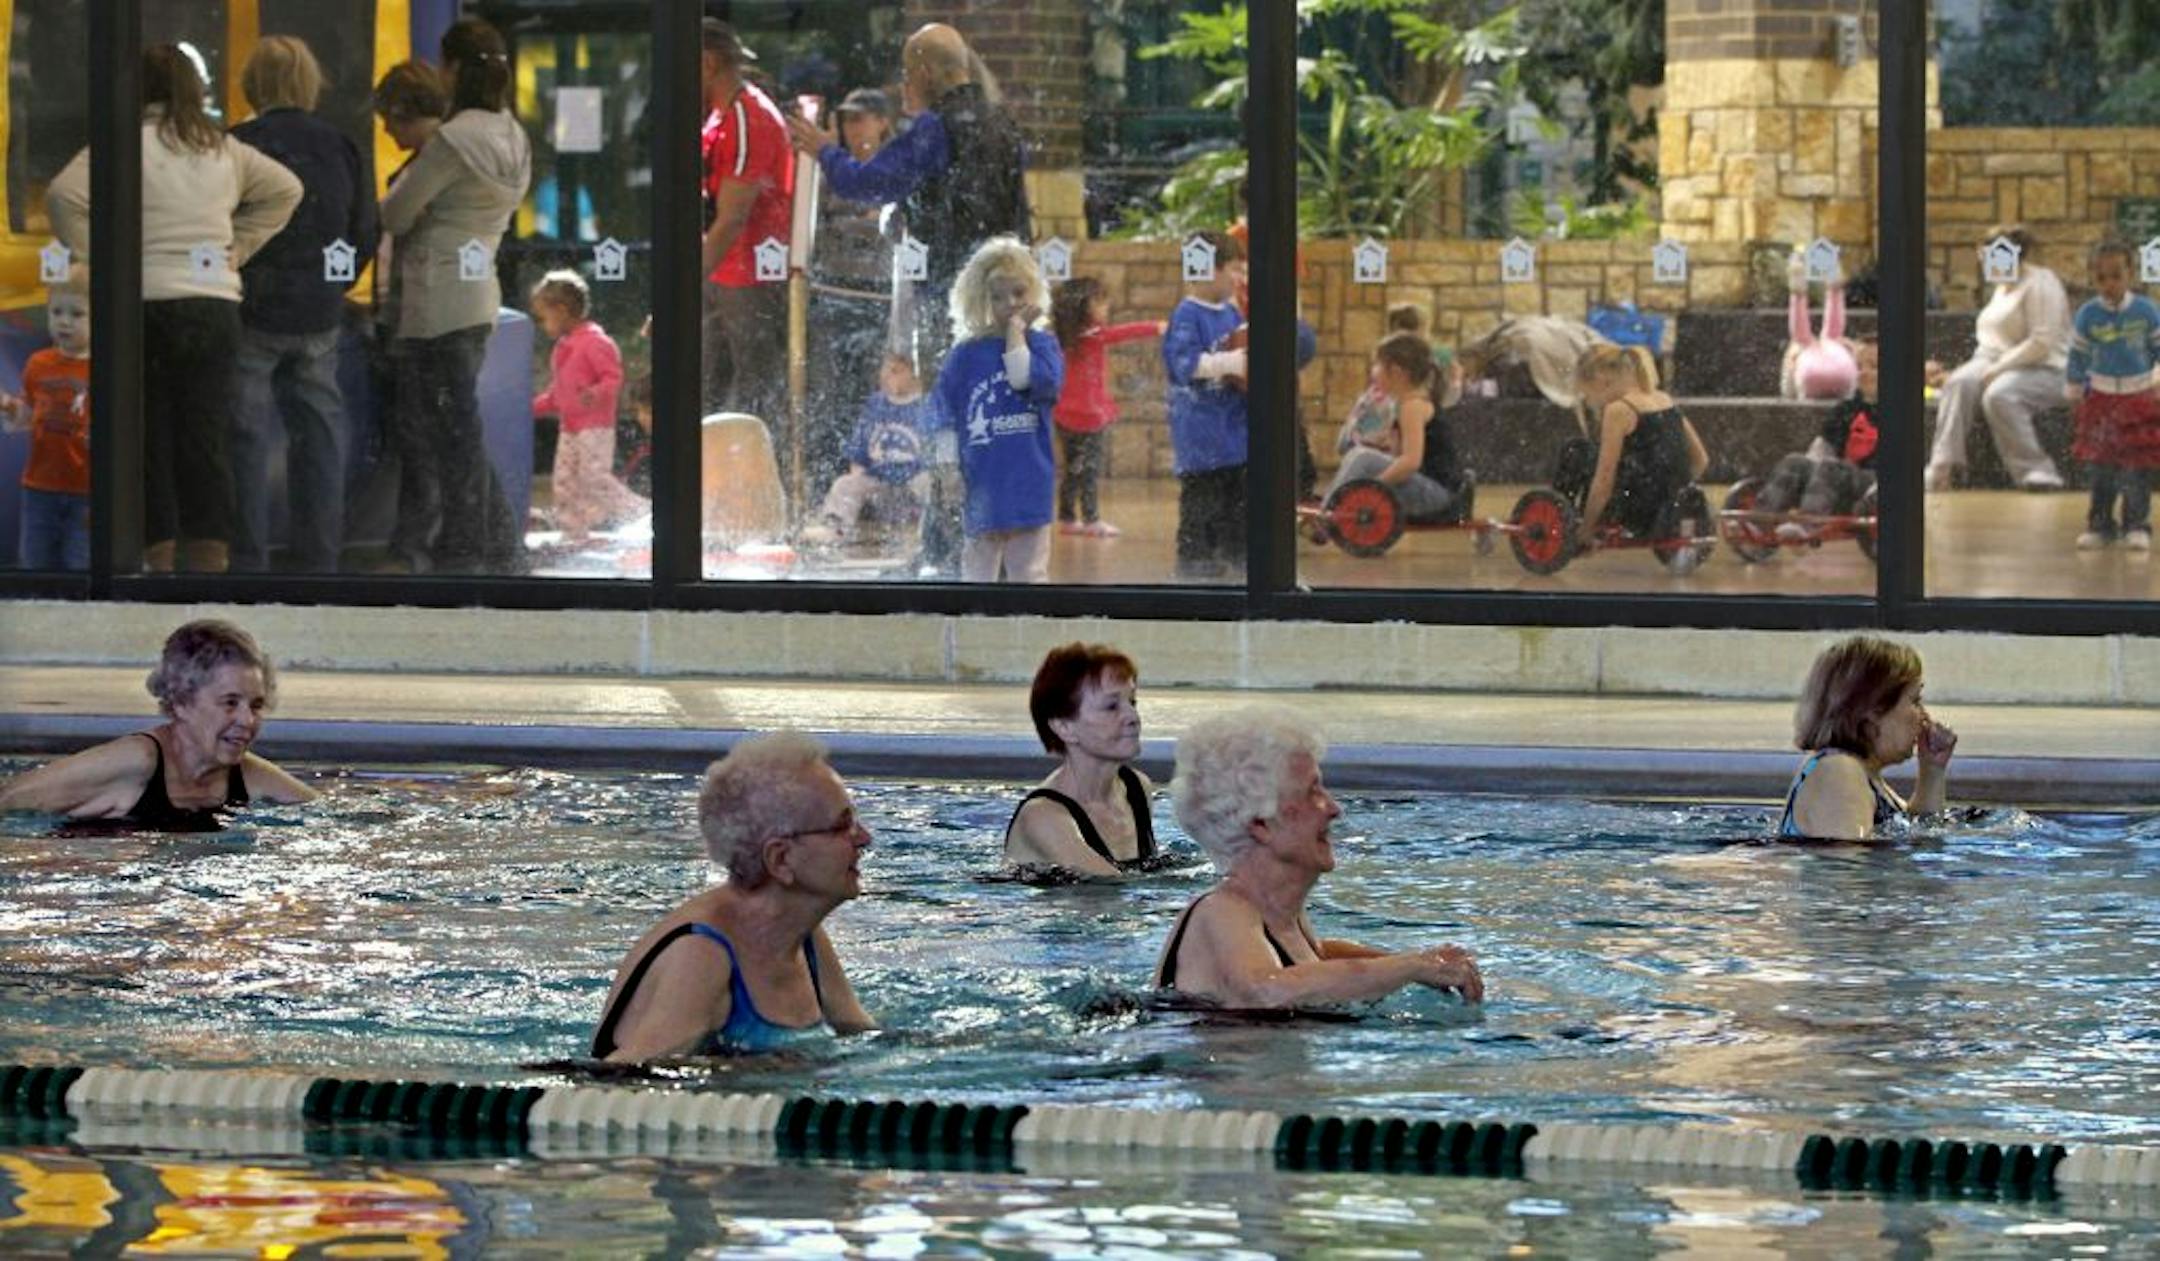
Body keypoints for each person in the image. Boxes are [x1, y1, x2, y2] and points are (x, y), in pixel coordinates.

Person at [45, 46, 303, 574]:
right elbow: (287, 189)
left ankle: (155, 559)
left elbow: (62, 196)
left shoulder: (121, 146)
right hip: (211, 306)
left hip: (143, 305)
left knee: (148, 439)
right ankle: (210, 560)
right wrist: (242, 245)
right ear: (192, 90)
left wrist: (105, 260)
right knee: (205, 435)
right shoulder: (222, 149)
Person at [1151, 706, 1483, 1009]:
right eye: (1313, 792)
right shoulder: (1222, 911)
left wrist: (1426, 963)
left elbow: (1313, 960)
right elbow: (1264, 991)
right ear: (1260, 824)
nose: (1333, 809)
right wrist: (1411, 966)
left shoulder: (1277, 918)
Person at [590, 733, 875, 1060]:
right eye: (843, 826)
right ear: (780, 859)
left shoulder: (802, 936)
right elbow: (617, 1082)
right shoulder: (701, 956)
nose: (864, 838)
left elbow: (863, 1039)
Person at [378, 19, 532, 574]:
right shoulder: (512, 134)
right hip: (479, 294)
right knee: (460, 426)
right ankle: (503, 546)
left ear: (455, 70)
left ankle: (465, 550)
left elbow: (395, 213)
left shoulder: (453, 138)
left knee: (449, 435)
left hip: (436, 298)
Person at [787, 23, 1029, 368]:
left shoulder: (937, 126)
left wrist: (826, 151)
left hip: (954, 288)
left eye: (908, 73)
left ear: (925, 73)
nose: (904, 83)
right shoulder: (1003, 122)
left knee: (949, 392)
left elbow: (870, 183)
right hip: (1007, 286)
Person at [228, 35, 379, 574]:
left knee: (243, 438)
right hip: (318, 313)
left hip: (250, 309)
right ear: (309, 83)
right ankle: (319, 558)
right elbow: (365, 228)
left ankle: (244, 559)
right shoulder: (339, 144)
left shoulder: (237, 143)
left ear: (253, 84)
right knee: (318, 435)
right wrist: (334, 286)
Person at [0, 620, 316, 827]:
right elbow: (10, 800)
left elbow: (329, 817)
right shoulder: (138, 761)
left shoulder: (249, 775)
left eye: (257, 705)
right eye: (230, 703)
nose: (247, 721)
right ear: (181, 702)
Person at [933, 236, 1063, 583]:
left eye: (1019, 294)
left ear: (1033, 293)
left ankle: (1029, 634)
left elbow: (1024, 378)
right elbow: (942, 415)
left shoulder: (1043, 346)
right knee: (977, 574)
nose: (1010, 304)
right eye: (996, 296)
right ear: (979, 298)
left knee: (1030, 574)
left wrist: (1018, 333)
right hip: (982, 480)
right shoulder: (965, 355)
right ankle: (976, 634)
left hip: (1028, 478)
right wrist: (947, 469)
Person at [697, 20, 794, 442]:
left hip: (748, 271)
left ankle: (758, 486)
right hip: (726, 271)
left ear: (707, 63)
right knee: (711, 384)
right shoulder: (723, 114)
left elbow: (733, 216)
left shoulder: (746, 116)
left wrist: (689, 280)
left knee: (754, 389)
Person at [1926, 225, 2070, 492]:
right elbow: (1992, 344)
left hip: (2045, 368)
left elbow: (2042, 341)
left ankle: (2037, 471)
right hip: (1992, 360)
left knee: (2000, 394)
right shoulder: (2002, 288)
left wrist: (2000, 368)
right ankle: (1942, 466)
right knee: (1958, 383)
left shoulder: (2041, 282)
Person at [805, 87, 899, 489]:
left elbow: (894, 229)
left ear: (882, 122)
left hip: (879, 295)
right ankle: (831, 482)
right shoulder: (829, 172)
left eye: (862, 118)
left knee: (871, 393)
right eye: (848, 119)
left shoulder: (897, 167)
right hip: (834, 293)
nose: (854, 127)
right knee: (831, 393)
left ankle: (874, 482)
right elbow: (818, 228)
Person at [1779, 636, 1958, 841]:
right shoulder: (1838, 771)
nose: (1925, 717)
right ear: (1873, 709)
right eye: (1915, 701)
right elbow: (1846, 866)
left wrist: (1932, 770)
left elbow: (1922, 833)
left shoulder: (1863, 774)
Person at [1003, 643, 1158, 877]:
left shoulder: (1137, 788)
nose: (1132, 717)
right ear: (1064, 727)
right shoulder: (1044, 817)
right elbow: (1112, 887)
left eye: (1132, 702)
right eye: (1111, 706)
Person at [530, 270, 647, 544]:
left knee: (595, 480)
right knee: (565, 481)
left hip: (595, 428)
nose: (543, 324)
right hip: (569, 428)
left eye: (544, 317)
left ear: (560, 310)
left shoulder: (595, 342)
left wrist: (594, 394)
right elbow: (558, 393)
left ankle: (644, 513)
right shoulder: (562, 347)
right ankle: (573, 534)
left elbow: (613, 377)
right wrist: (531, 408)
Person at [1162, 230, 1250, 580]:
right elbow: (1184, 365)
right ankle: (1194, 577)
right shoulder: (1187, 315)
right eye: (1234, 269)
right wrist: (1233, 362)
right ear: (1209, 269)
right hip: (1201, 438)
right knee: (1202, 509)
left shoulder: (1231, 313)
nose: (1240, 277)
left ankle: (1235, 571)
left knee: (1236, 511)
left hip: (1234, 436)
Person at [2064, 239, 2160, 552]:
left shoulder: (2146, 311)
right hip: (2101, 399)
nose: (2109, 284)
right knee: (2102, 467)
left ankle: (2137, 524)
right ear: (2093, 279)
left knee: (2137, 467)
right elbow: (2077, 356)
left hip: (2139, 398)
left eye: (2116, 276)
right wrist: (2075, 388)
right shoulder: (2088, 315)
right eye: (2101, 278)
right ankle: (2100, 525)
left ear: (2131, 274)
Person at [1050, 277, 1162, 537]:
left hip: (1065, 415)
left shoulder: (1060, 339)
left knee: (1073, 468)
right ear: (1083, 308)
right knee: (1088, 469)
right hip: (1089, 416)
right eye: (1100, 302)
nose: (1107, 306)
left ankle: (1067, 518)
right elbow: (1128, 331)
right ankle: (1091, 520)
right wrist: (1156, 326)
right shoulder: (1093, 336)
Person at [1565, 344, 1709, 547]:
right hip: (1672, 510)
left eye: (1588, 396)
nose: (1591, 403)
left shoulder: (1619, 410)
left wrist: (1585, 531)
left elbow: (1604, 480)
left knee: (1575, 449)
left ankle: (1562, 517)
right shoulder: (1664, 399)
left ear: (1600, 380)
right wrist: (1675, 492)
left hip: (1637, 514)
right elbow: (1702, 460)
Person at [1, 266, 91, 570]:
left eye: (76, 314)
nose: (64, 322)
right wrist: (9, 407)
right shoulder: (38, 363)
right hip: (39, 486)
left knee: (79, 564)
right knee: (35, 564)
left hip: (85, 490)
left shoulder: (104, 366)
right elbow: (28, 415)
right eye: (56, 312)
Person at [1321, 331, 1461, 522]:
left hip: (1438, 496)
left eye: (1377, 365)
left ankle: (1327, 515)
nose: (1373, 371)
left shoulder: (1412, 406)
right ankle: (1333, 504)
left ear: (1396, 372)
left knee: (1363, 457)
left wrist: (1374, 487)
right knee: (1360, 454)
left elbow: (1411, 462)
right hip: (1432, 489)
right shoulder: (1406, 403)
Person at [802, 353, 933, 546]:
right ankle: (835, 529)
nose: (889, 376)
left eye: (896, 371)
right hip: (879, 482)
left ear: (913, 374)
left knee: (928, 483)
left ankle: (929, 532)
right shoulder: (876, 404)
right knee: (844, 484)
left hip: (913, 481)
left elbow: (933, 451)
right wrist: (859, 481)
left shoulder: (926, 405)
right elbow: (860, 450)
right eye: (886, 371)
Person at [1756, 340, 1880, 541]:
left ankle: (1809, 523)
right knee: (1796, 461)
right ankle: (1760, 520)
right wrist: (1808, 470)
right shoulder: (1845, 410)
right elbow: (1822, 449)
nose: (1864, 373)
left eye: (1874, 367)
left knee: (1831, 467)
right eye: (1859, 367)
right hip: (1834, 478)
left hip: (1871, 483)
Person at [1781, 248, 1859, 402]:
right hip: (1842, 374)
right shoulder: (1834, 344)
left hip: (1810, 376)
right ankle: (1832, 290)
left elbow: (1787, 391)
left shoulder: (1802, 348)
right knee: (1832, 334)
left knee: (1802, 338)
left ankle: (1799, 293)